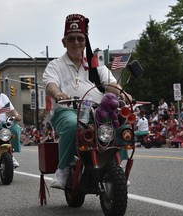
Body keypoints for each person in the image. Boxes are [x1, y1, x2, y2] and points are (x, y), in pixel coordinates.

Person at [42, 13, 132, 189]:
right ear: (64, 42)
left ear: (85, 41)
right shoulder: (55, 65)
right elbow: (50, 85)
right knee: (71, 125)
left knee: (121, 124)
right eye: (72, 39)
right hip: (67, 110)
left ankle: (117, 166)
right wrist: (58, 93)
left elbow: (110, 83)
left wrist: (123, 93)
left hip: (98, 111)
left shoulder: (95, 64)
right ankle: (62, 170)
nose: (76, 43)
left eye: (80, 39)